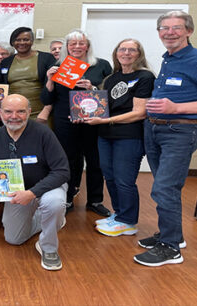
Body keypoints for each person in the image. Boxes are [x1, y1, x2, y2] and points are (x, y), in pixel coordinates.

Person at [134, 11, 197, 267]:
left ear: (188, 31)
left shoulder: (194, 59)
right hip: (155, 129)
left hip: (179, 131)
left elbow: (178, 104)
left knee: (164, 188)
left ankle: (170, 248)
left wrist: (176, 108)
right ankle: (173, 235)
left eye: (176, 28)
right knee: (166, 185)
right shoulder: (168, 59)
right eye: (164, 28)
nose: (169, 32)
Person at [0, 94, 69, 270]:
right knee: (14, 239)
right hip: (17, 194)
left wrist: (31, 194)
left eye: (21, 111)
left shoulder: (44, 134)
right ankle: (52, 219)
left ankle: (48, 247)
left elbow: (62, 172)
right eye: (8, 111)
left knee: (54, 203)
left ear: (29, 112)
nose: (14, 116)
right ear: (0, 113)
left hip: (48, 187)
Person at [84, 39, 155, 236]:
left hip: (129, 136)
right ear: (116, 53)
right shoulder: (111, 79)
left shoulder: (145, 77)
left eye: (132, 50)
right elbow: (102, 106)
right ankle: (119, 214)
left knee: (124, 179)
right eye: (122, 49)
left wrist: (105, 121)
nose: (126, 53)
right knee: (110, 176)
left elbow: (140, 112)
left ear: (139, 54)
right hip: (106, 135)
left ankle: (129, 221)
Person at [42, 29, 113, 217]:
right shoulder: (58, 66)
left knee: (95, 160)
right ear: (67, 47)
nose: (77, 47)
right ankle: (66, 199)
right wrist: (49, 80)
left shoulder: (101, 65)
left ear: (87, 46)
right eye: (72, 44)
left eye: (81, 43)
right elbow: (46, 98)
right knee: (68, 159)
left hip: (93, 120)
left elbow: (110, 94)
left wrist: (93, 88)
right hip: (65, 120)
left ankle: (95, 200)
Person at [0, 27, 56, 122]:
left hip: (41, 114)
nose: (22, 43)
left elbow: (54, 87)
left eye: (26, 39)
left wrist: (46, 111)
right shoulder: (6, 62)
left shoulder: (47, 58)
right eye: (18, 40)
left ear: (32, 41)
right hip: (13, 115)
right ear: (13, 42)